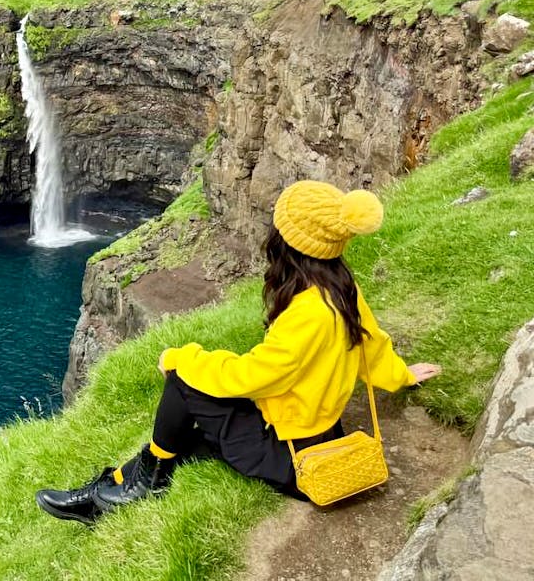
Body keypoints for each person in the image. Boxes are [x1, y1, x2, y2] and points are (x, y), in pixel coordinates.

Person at [35, 181, 440, 524]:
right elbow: (374, 341)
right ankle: (105, 494)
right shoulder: (340, 286)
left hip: (293, 455)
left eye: (278, 225)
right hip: (306, 429)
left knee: (183, 383)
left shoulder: (310, 312)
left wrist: (182, 358)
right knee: (182, 438)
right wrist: (402, 374)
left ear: (291, 242)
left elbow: (254, 375)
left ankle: (144, 484)